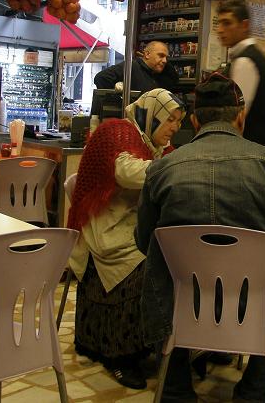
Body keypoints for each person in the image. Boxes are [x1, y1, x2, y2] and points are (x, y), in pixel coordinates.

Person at [135, 75, 265, 402]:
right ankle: (255, 387)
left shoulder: (161, 169)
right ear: (240, 116)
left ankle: (175, 387)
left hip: (184, 302)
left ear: (194, 121)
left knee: (162, 271)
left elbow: (143, 240)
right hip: (258, 304)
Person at [67, 88, 185, 390]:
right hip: (105, 227)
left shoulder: (156, 146)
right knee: (152, 263)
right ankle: (121, 355)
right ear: (152, 115)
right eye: (170, 119)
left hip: (132, 224)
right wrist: (182, 165)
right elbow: (126, 173)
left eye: (178, 121)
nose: (174, 127)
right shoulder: (118, 131)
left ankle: (168, 343)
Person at [216, 0, 265, 147]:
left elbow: (235, 118)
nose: (220, 29)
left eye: (227, 23)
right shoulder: (249, 56)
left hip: (249, 150)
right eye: (219, 23)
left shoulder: (245, 61)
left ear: (244, 25)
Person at [94, 41, 178, 97]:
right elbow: (101, 78)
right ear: (147, 54)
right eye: (161, 56)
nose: (165, 61)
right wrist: (120, 102)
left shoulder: (156, 74)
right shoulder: (133, 66)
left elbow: (174, 80)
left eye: (166, 57)